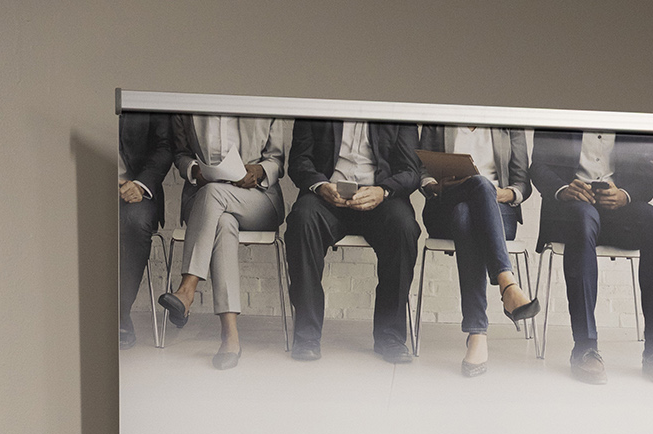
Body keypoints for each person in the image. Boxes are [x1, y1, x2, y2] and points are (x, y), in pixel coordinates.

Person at [530, 129, 653, 387]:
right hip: (572, 209)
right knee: (582, 219)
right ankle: (584, 347)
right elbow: (538, 167)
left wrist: (625, 195)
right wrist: (563, 189)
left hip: (619, 209)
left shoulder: (636, 119)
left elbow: (648, 181)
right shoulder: (561, 110)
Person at [284, 121, 420, 364]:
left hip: (380, 198)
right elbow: (298, 161)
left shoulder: (396, 108)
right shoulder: (318, 102)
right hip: (327, 197)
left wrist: (383, 191)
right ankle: (307, 335)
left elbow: (411, 171)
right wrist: (321, 186)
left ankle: (390, 336)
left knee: (404, 227)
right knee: (302, 220)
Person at [158, 116, 287, 369]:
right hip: (206, 203)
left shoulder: (261, 100)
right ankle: (230, 335)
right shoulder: (189, 105)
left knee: (214, 195)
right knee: (224, 222)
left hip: (258, 199)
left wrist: (259, 171)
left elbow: (277, 160)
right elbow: (182, 154)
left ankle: (186, 290)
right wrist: (194, 170)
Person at [418, 125, 538, 378]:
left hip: (497, 210)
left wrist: (504, 193)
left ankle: (477, 333)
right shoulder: (441, 118)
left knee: (468, 210)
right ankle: (507, 284)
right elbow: (422, 170)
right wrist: (435, 185)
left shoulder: (509, 124)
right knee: (477, 187)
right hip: (444, 205)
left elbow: (521, 183)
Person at [117, 111, 172, 348]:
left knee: (137, 222)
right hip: (85, 182)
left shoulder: (142, 97)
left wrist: (140, 185)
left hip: (135, 186)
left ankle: (118, 313)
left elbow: (165, 146)